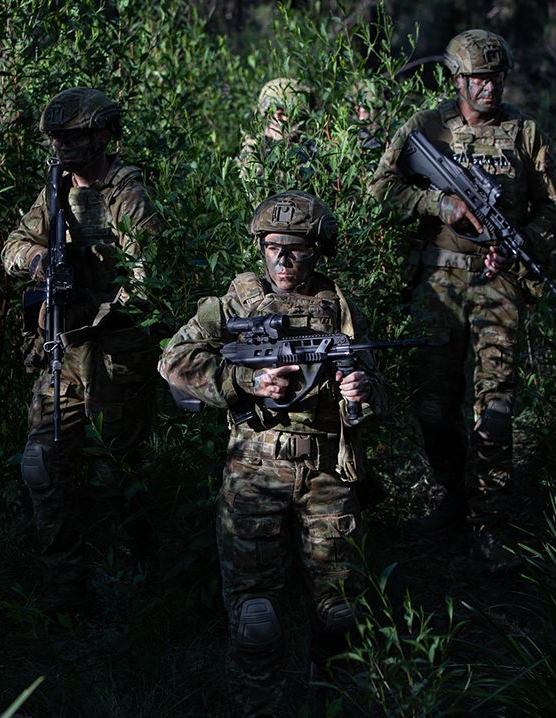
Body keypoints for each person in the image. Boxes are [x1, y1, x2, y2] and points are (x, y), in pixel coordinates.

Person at [159, 191, 387, 716]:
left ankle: (329, 699)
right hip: (255, 469)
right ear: (260, 249)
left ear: (318, 252)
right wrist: (245, 381)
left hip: (329, 468)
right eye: (273, 248)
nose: (283, 261)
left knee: (341, 610)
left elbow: (378, 391)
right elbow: (174, 360)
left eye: (298, 250)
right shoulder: (234, 304)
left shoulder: (341, 309)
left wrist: (361, 393)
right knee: (256, 617)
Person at [368, 29, 556, 568]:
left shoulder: (525, 133)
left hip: (498, 283)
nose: (489, 87)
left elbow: (555, 213)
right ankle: (455, 496)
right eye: (479, 78)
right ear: (457, 79)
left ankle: (490, 523)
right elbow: (381, 187)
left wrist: (521, 247)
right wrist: (440, 204)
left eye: (497, 77)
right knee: (432, 408)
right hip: (436, 285)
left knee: (495, 407)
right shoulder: (427, 127)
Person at [1, 87, 164, 615]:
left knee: (117, 472)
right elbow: (12, 246)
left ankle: (129, 589)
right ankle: (63, 586)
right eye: (56, 139)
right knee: (39, 464)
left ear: (101, 135)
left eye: (73, 137)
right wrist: (40, 262)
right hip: (64, 351)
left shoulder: (126, 193)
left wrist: (99, 307)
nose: (62, 148)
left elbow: (150, 275)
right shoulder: (54, 191)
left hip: (114, 352)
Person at [237, 77, 315, 188]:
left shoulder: (310, 148)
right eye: (272, 111)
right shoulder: (253, 149)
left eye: (285, 112)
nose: (278, 116)